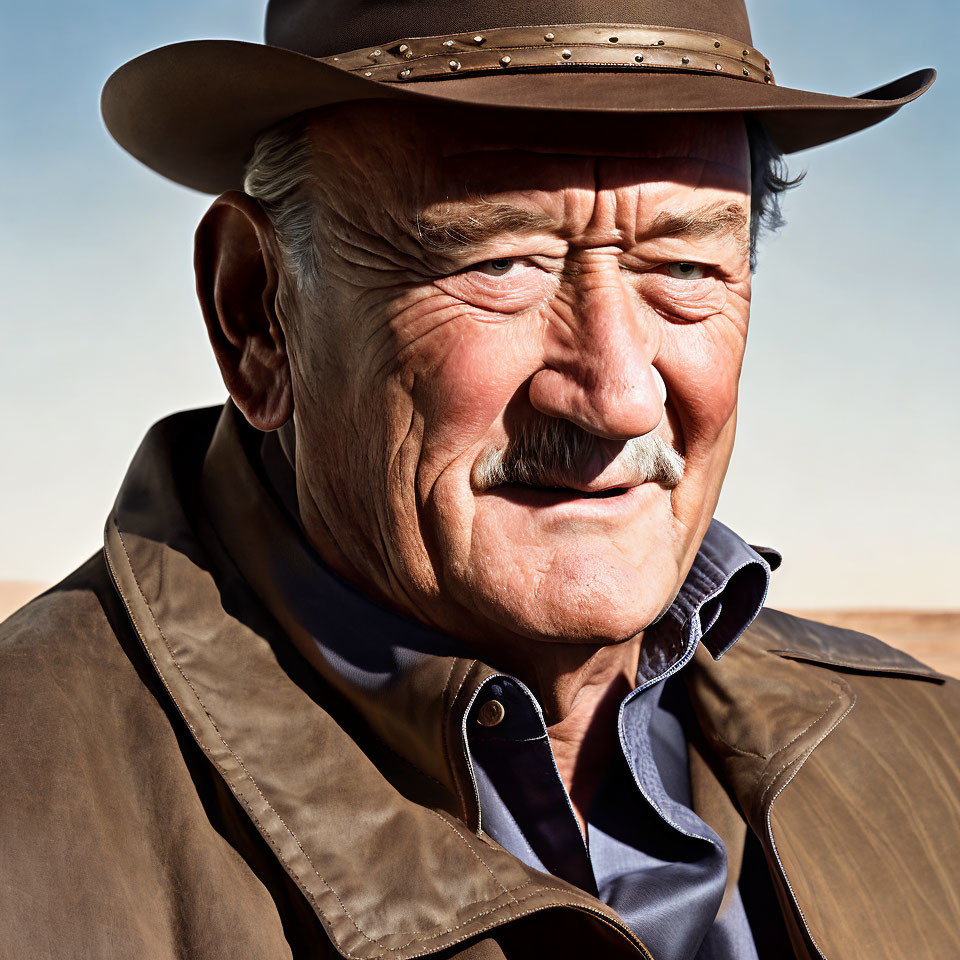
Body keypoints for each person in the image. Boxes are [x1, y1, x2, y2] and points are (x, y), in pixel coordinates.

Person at [1, 0, 957, 958]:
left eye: (686, 268)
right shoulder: (29, 812)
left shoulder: (932, 755)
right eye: (501, 263)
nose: (617, 395)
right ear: (258, 314)